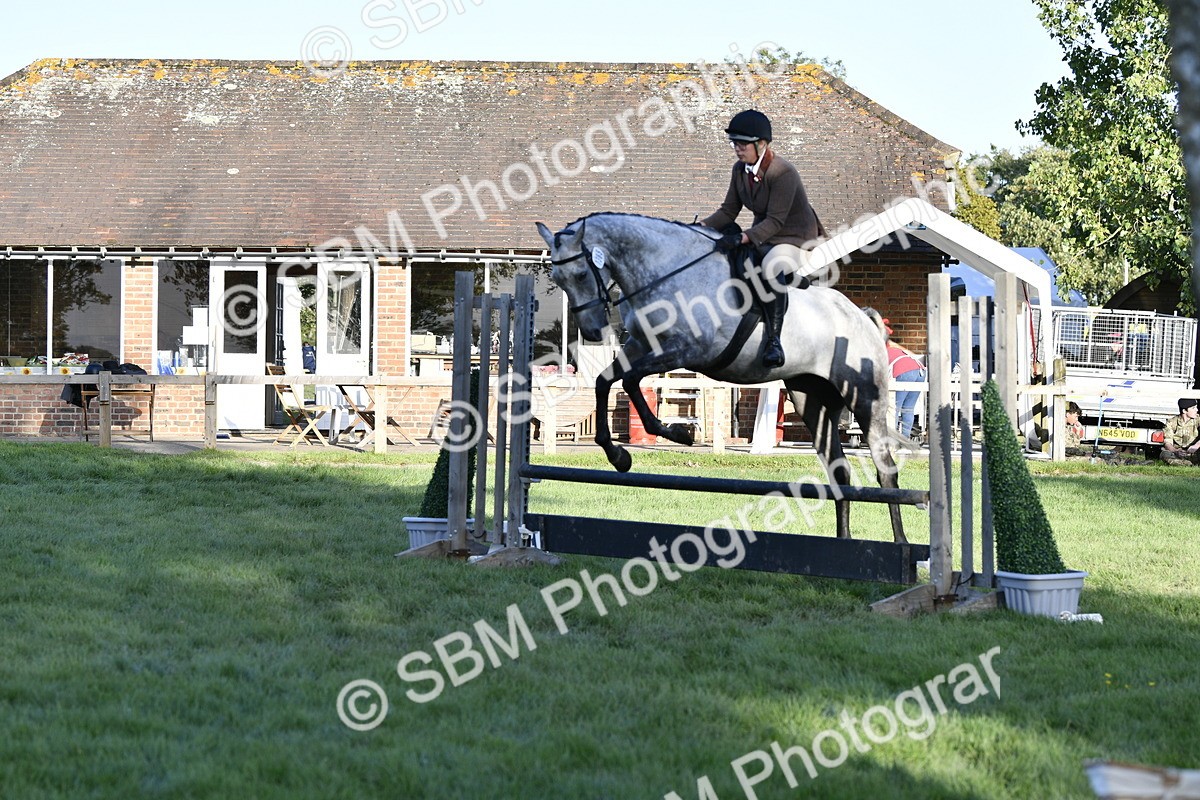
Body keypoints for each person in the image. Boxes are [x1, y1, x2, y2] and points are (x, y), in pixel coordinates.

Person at [702, 109, 825, 368]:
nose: (737, 148)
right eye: (734, 142)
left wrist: (744, 238)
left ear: (761, 144)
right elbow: (728, 211)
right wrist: (696, 228)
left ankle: (774, 341)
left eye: (742, 143)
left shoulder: (783, 172)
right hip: (767, 237)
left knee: (771, 265)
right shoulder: (739, 170)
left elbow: (776, 221)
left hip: (796, 239)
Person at [883, 320, 925, 438]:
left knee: (895, 407)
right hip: (920, 370)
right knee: (908, 408)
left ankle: (893, 439)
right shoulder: (893, 345)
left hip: (904, 370)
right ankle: (905, 439)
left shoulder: (878, 347)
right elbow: (910, 354)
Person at [1161, 398, 1200, 466]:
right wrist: (1175, 451)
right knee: (1164, 454)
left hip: (1195, 452)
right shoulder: (1171, 422)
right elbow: (1167, 442)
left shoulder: (1198, 420)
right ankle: (1188, 464)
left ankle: (1185, 463)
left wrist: (1196, 446)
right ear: (1184, 410)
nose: (1197, 410)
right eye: (1193, 408)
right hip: (1177, 452)